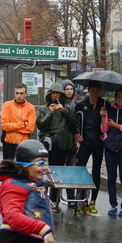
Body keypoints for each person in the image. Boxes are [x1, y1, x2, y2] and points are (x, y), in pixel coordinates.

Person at [35, 81, 78, 212]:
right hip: (49, 144)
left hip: (64, 145)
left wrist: (63, 110)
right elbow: (40, 126)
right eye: (53, 93)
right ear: (49, 94)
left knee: (57, 173)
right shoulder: (43, 109)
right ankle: (44, 200)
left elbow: (75, 121)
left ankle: (55, 201)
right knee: (48, 171)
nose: (56, 96)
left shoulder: (67, 109)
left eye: (58, 94)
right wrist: (50, 112)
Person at [74, 81, 111, 214]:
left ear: (100, 91)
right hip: (84, 143)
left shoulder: (105, 104)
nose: (95, 93)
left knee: (96, 171)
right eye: (92, 90)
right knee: (80, 170)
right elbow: (75, 122)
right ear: (88, 90)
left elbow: (108, 125)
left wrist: (104, 131)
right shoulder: (80, 105)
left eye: (97, 90)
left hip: (98, 144)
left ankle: (93, 200)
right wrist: (76, 134)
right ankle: (81, 198)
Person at [101, 88, 122, 216]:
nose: (120, 98)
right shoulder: (109, 109)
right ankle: (113, 204)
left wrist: (115, 125)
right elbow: (104, 128)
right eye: (118, 96)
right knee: (111, 177)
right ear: (115, 97)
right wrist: (103, 117)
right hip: (110, 148)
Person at [0, 83, 36, 159]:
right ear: (14, 93)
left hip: (24, 144)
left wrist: (12, 128)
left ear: (26, 94)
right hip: (8, 143)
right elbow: (5, 126)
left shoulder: (31, 108)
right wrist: (23, 124)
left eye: (21, 93)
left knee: (22, 169)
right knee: (8, 168)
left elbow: (30, 128)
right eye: (17, 93)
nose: (19, 95)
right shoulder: (7, 105)